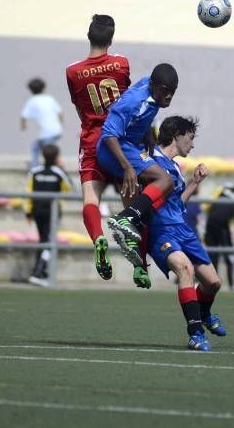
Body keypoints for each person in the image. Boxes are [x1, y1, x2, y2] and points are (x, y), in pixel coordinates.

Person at [147, 116, 227, 351]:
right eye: (190, 138)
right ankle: (195, 333)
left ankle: (203, 313)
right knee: (185, 269)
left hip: (182, 229)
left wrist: (194, 182)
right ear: (176, 135)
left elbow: (177, 205)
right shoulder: (151, 162)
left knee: (213, 283)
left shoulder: (174, 167)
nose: (192, 145)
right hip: (160, 232)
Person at [65, 14, 132, 283]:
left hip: (92, 140)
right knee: (131, 201)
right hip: (120, 140)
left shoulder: (72, 71)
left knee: (91, 200)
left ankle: (98, 238)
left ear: (88, 36)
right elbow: (128, 102)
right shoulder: (121, 63)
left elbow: (79, 107)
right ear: (111, 38)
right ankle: (137, 255)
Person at [97, 63, 179, 269]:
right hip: (114, 148)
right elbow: (108, 134)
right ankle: (126, 218)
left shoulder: (150, 88)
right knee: (164, 180)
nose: (169, 96)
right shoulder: (134, 101)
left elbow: (141, 119)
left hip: (131, 145)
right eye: (165, 91)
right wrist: (127, 167)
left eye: (173, 92)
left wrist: (149, 139)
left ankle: (137, 258)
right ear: (154, 85)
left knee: (150, 200)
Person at [25, 144, 74, 287]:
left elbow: (28, 193)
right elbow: (70, 188)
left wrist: (28, 212)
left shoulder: (34, 172)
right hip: (52, 213)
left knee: (43, 240)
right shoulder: (58, 172)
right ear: (57, 157)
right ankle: (38, 272)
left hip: (37, 212)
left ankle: (41, 271)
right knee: (48, 241)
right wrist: (62, 168)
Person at [20, 77, 63, 169]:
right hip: (56, 130)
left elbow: (23, 116)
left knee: (49, 153)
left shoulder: (32, 100)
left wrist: (23, 126)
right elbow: (60, 113)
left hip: (46, 133)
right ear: (44, 88)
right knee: (37, 148)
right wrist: (60, 124)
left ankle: (36, 169)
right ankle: (46, 167)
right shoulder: (49, 98)